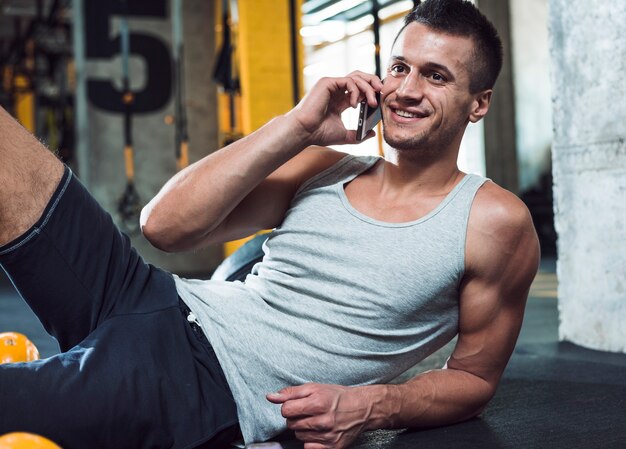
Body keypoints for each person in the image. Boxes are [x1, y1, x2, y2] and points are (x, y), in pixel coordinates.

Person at [0, 0, 540, 448]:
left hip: (201, 381)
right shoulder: (323, 165)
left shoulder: (493, 221)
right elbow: (163, 227)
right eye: (400, 67)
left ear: (478, 104)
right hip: (151, 295)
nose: (407, 89)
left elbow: (474, 379)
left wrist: (370, 405)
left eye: (436, 76)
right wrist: (300, 125)